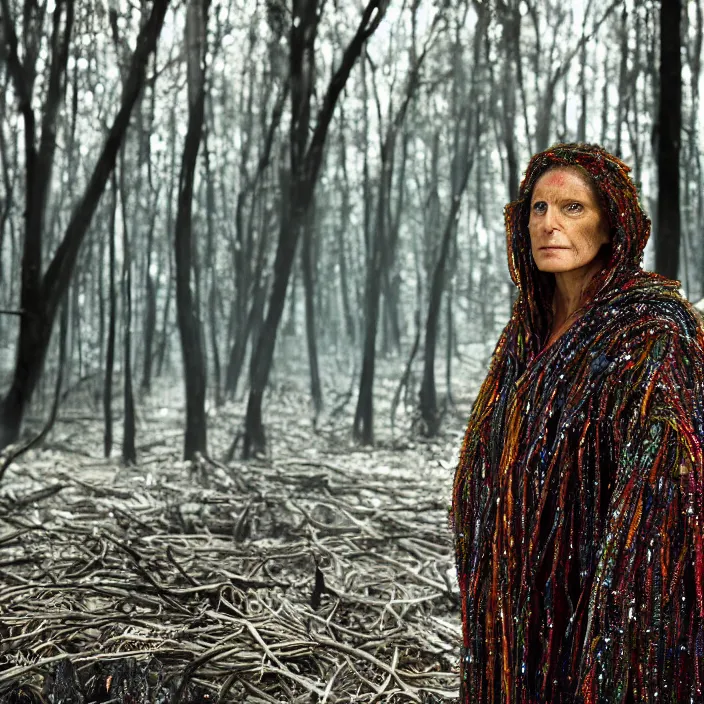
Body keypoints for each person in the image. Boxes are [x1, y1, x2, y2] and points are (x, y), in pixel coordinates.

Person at [451, 143, 704, 703]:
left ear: (613, 226)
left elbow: (669, 486)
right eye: (538, 209)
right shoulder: (526, 332)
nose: (549, 225)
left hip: (601, 605)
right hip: (518, 608)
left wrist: (613, 615)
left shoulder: (651, 329)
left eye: (573, 209)